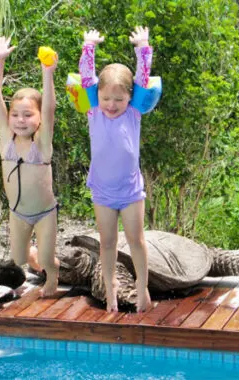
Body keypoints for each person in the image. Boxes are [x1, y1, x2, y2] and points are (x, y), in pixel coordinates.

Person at [79, 26, 153, 312]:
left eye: (119, 100)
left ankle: (142, 287)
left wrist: (142, 47)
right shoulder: (93, 110)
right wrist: (89, 46)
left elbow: (143, 79)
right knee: (107, 243)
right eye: (107, 98)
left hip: (131, 190)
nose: (112, 105)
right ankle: (111, 289)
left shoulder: (134, 112)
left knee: (136, 240)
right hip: (103, 191)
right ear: (98, 96)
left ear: (129, 99)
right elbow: (87, 75)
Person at [0, 36, 59, 297]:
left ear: (40, 119)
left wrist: (47, 74)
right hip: (17, 212)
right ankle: (36, 260)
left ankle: (52, 275)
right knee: (18, 257)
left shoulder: (41, 144)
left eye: (28, 114)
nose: (20, 120)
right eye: (15, 114)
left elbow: (50, 107)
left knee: (48, 258)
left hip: (44, 213)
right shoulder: (6, 138)